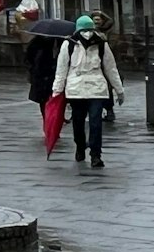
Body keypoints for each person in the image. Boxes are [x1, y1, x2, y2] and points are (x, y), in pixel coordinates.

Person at [53, 15, 125, 169]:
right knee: (95, 122)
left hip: (76, 89)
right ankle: (95, 155)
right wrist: (119, 90)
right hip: (96, 88)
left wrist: (56, 91)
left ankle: (81, 147)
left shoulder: (68, 44)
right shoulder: (101, 44)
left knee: (78, 122)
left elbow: (61, 70)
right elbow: (111, 68)